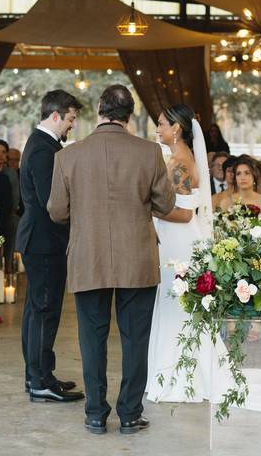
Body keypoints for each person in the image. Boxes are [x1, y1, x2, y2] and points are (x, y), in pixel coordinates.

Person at [47, 85, 191, 436]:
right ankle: (129, 414)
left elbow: (56, 211)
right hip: (138, 258)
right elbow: (164, 205)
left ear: (100, 109)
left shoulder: (68, 155)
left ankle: (95, 414)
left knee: (91, 339)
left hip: (87, 256)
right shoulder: (149, 153)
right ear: (130, 114)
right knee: (135, 339)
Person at [17, 90, 85, 403]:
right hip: (44, 241)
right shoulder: (44, 149)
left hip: (39, 239)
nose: (72, 125)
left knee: (37, 311)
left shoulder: (41, 144)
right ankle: (40, 380)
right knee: (45, 311)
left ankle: (38, 375)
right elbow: (52, 203)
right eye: (70, 119)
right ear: (55, 115)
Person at [145, 104, 215, 404]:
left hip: (179, 243)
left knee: (179, 306)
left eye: (161, 124)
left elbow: (185, 214)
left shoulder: (180, 163)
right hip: (175, 240)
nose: (157, 128)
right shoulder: (177, 158)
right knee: (178, 306)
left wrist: (147, 208)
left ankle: (182, 376)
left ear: (176, 128)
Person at [0, 139, 21, 270]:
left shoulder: (11, 173)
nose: (0, 155)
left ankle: (9, 264)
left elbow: (15, 198)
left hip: (6, 212)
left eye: (3, 152)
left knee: (14, 222)